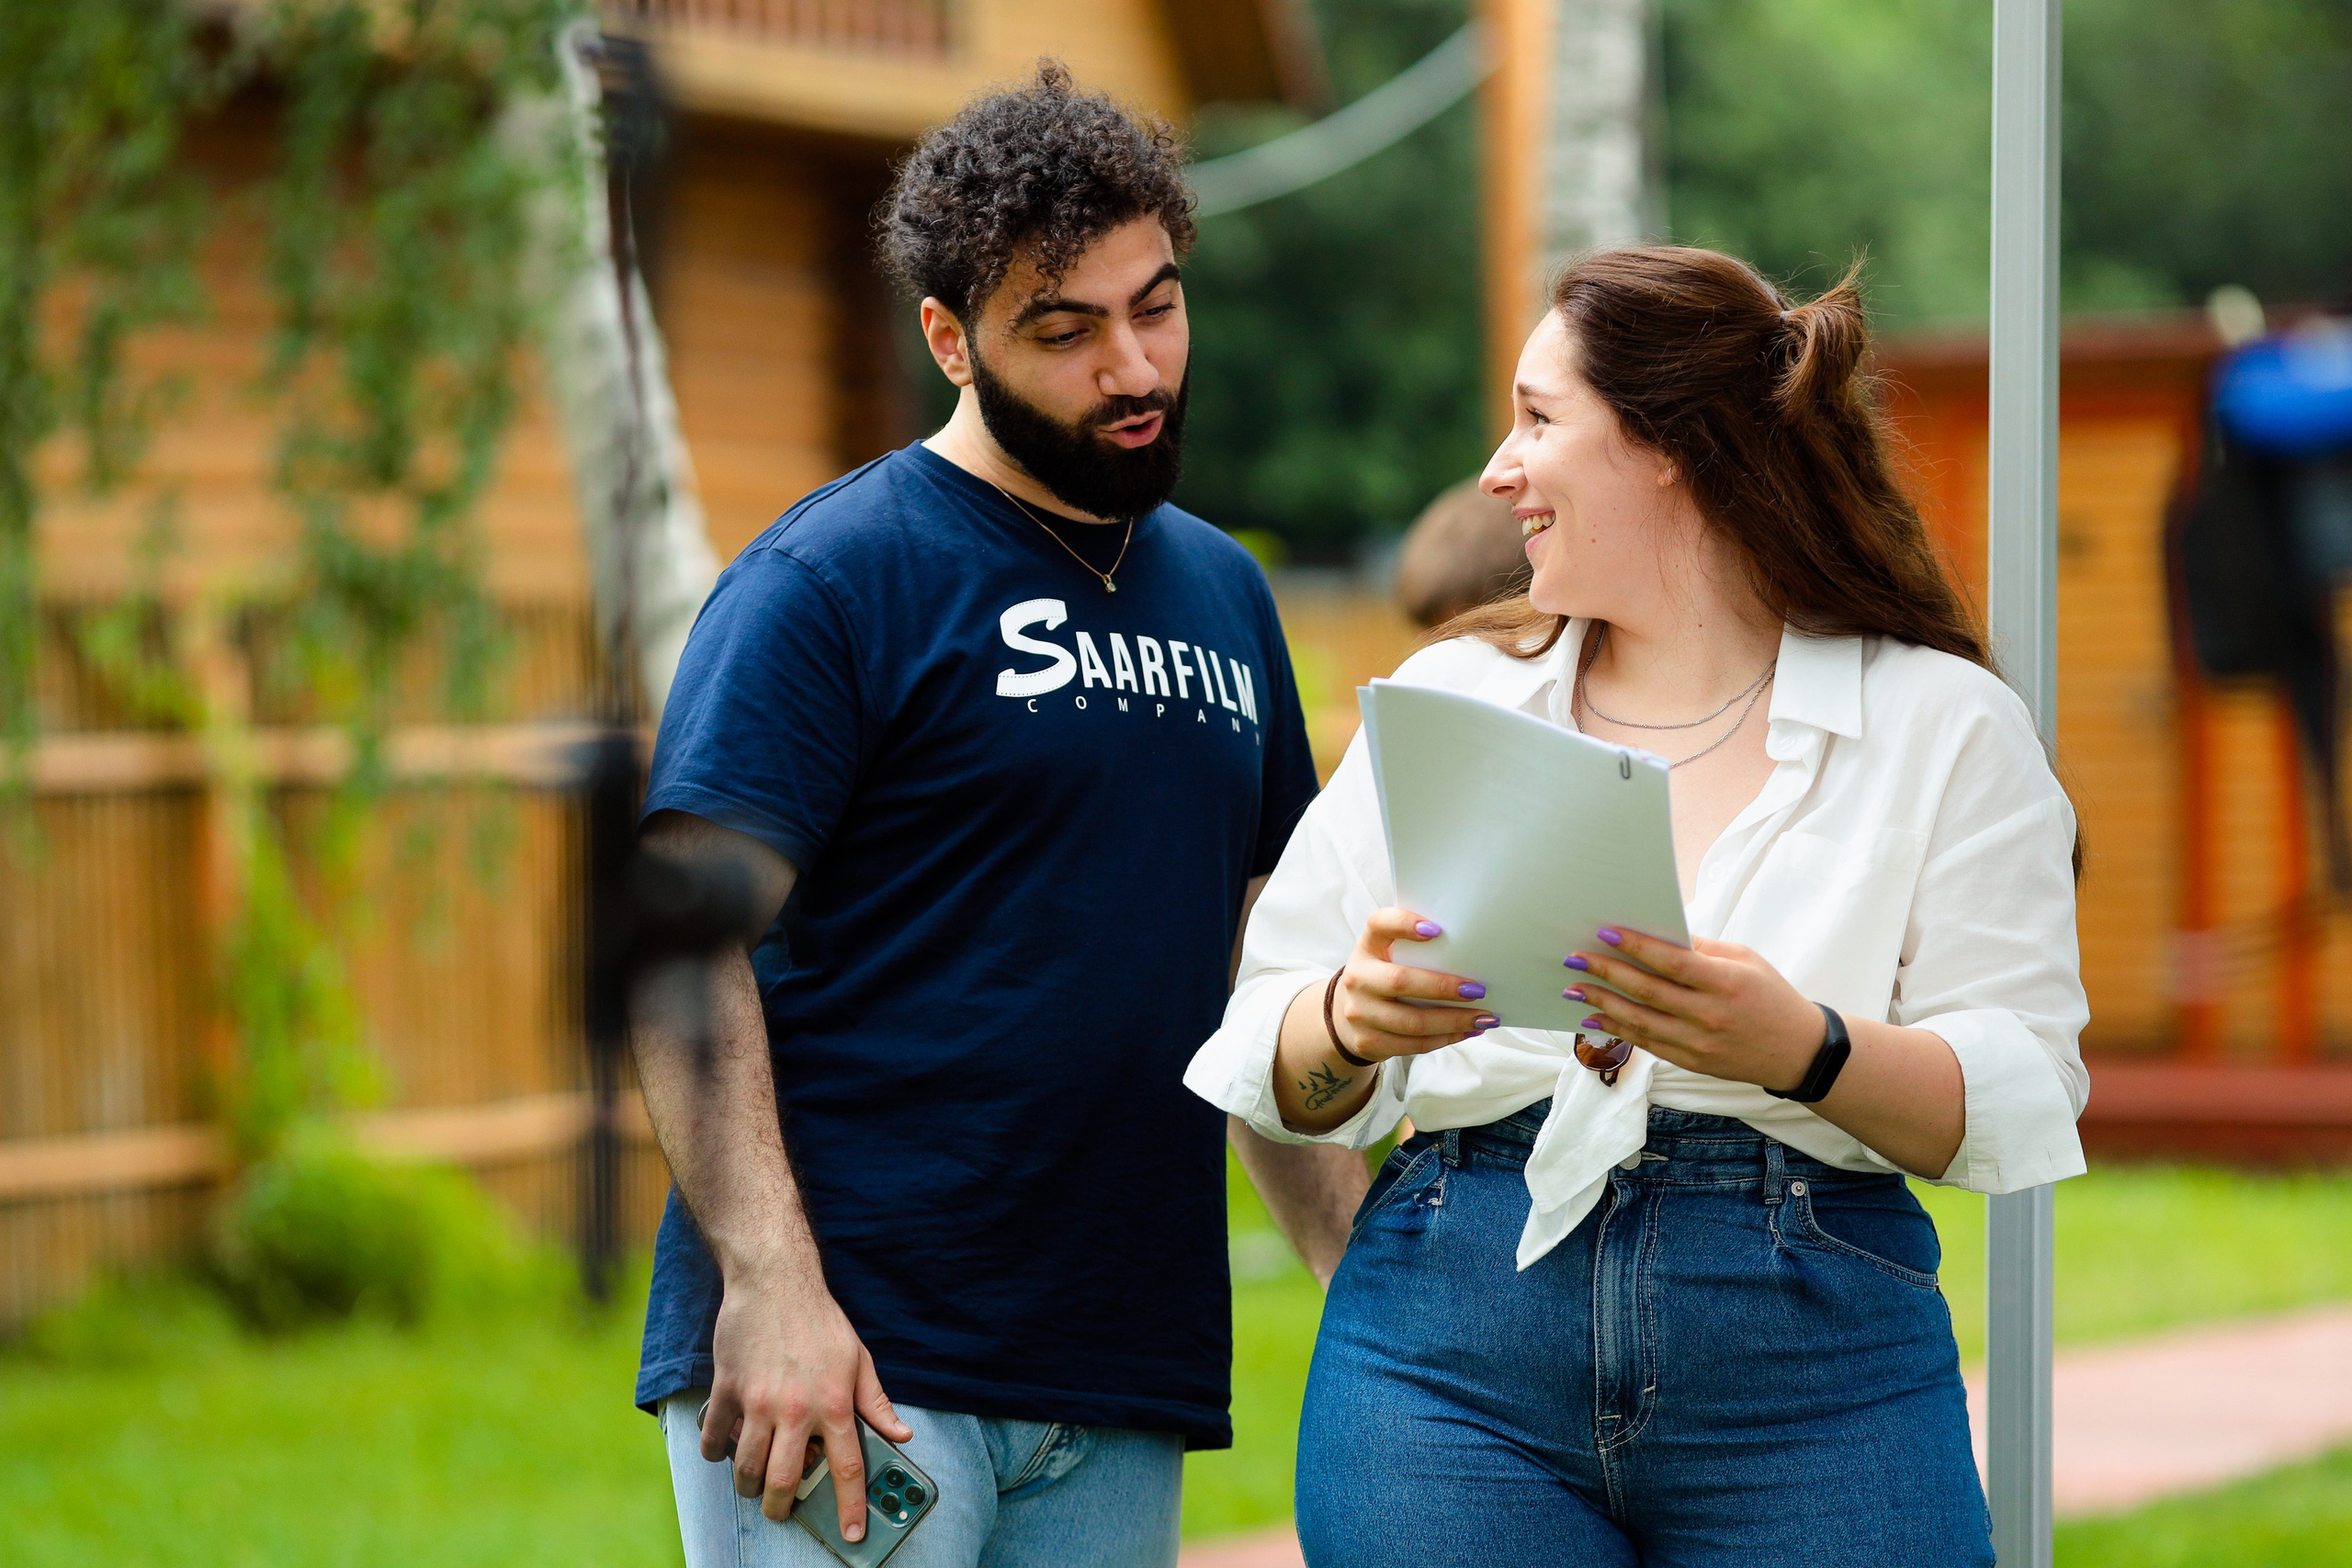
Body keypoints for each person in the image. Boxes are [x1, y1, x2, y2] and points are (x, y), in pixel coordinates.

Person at [1188, 246, 2089, 1567]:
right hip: (1449, 1345)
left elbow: (2022, 1089)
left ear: (1672, 448)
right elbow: (1270, 1047)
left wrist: (1805, 1047)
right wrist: (1350, 1018)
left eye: (1539, 420)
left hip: (1814, 1356)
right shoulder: (1454, 700)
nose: (1499, 470)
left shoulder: (1942, 725)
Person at [628, 65, 1364, 1568]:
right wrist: (770, 1287)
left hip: (1119, 1356)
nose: (1134, 365)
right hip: (852, 1359)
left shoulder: (1224, 593)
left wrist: (1352, 1266)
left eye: (1155, 306)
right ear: (949, 340)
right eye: (1066, 329)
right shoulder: (836, 581)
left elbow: (1257, 970)